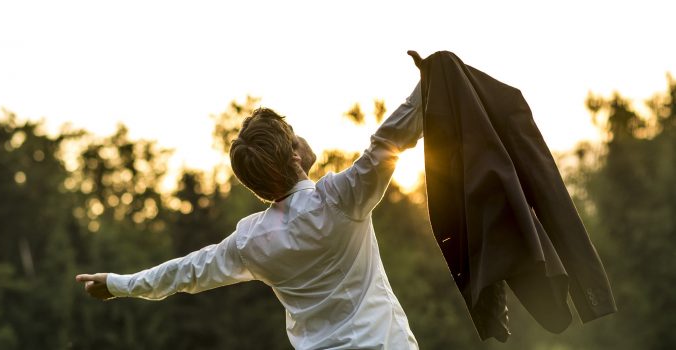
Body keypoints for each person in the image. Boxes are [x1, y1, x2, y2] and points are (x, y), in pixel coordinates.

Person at [76, 73, 424, 349]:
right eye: (293, 134)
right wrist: (430, 86)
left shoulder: (251, 241)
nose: (300, 136)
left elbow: (186, 273)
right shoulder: (339, 199)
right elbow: (386, 143)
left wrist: (118, 285)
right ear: (296, 156)